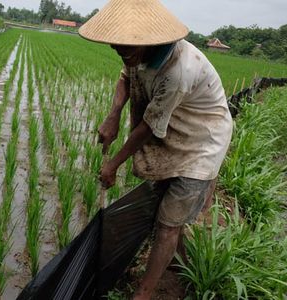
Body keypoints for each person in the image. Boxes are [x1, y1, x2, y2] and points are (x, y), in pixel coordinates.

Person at [78, 0, 233, 299]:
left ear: (152, 40)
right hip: (175, 129)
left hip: (202, 142)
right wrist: (113, 115)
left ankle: (144, 293)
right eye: (116, 45)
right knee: (168, 208)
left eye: (125, 48)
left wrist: (113, 165)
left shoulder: (179, 70)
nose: (118, 50)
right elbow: (125, 77)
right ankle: (181, 261)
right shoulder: (136, 50)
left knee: (166, 224)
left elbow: (148, 127)